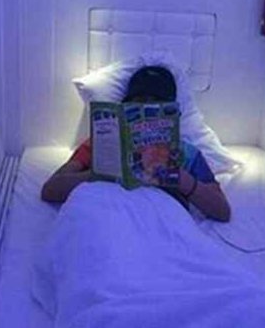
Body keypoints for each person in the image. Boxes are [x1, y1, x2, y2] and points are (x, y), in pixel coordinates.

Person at [41, 66, 231, 222]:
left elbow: (222, 211)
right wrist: (98, 175)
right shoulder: (99, 144)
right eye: (138, 103)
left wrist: (182, 180)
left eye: (156, 104)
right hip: (106, 216)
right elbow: (50, 190)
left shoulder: (188, 154)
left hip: (160, 221)